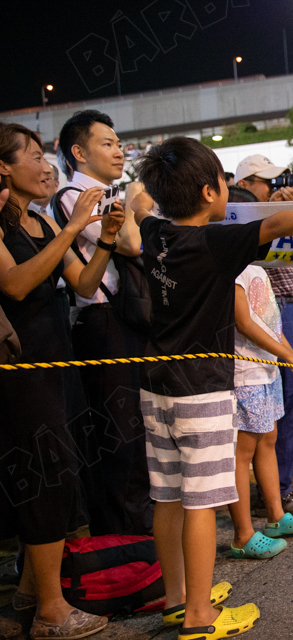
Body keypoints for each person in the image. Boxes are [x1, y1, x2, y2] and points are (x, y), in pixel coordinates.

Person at [132, 136, 293, 637]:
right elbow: (278, 224)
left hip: (155, 387)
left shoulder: (154, 230)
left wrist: (159, 174)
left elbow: (139, 200)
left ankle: (178, 599)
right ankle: (201, 618)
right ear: (209, 192)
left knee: (169, 497)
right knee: (202, 500)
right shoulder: (214, 245)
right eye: (223, 182)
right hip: (200, 391)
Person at [0, 123, 124, 640]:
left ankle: (30, 596)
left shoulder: (43, 224)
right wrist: (74, 227)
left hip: (58, 365)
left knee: (60, 473)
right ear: (3, 167)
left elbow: (85, 283)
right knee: (44, 475)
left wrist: (107, 239)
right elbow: (17, 282)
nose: (45, 165)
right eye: (31, 155)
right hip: (19, 373)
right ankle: (52, 611)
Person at [56, 109, 154, 536]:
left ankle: (142, 538)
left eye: (119, 143)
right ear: (78, 152)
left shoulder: (109, 194)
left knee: (138, 431)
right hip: (103, 323)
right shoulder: (76, 198)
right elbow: (132, 244)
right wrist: (134, 201)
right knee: (120, 437)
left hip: (125, 321)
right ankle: (126, 546)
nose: (119, 151)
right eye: (108, 144)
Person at [227, 188, 293, 559]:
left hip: (266, 370)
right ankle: (243, 533)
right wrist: (287, 354)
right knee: (242, 452)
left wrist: (288, 355)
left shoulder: (256, 268)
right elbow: (245, 323)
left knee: (268, 439)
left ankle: (276, 515)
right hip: (244, 371)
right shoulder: (232, 269)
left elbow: (269, 320)